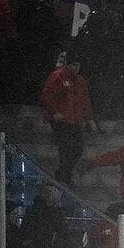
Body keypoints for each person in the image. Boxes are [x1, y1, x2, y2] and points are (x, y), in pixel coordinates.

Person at [40, 55, 98, 183]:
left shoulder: (81, 81)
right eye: (73, 65)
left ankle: (63, 175)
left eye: (77, 65)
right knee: (66, 148)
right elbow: (46, 96)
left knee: (77, 148)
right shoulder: (58, 76)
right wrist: (54, 112)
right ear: (68, 64)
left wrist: (90, 119)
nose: (75, 68)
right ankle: (63, 177)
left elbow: (85, 101)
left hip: (74, 119)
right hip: (60, 120)